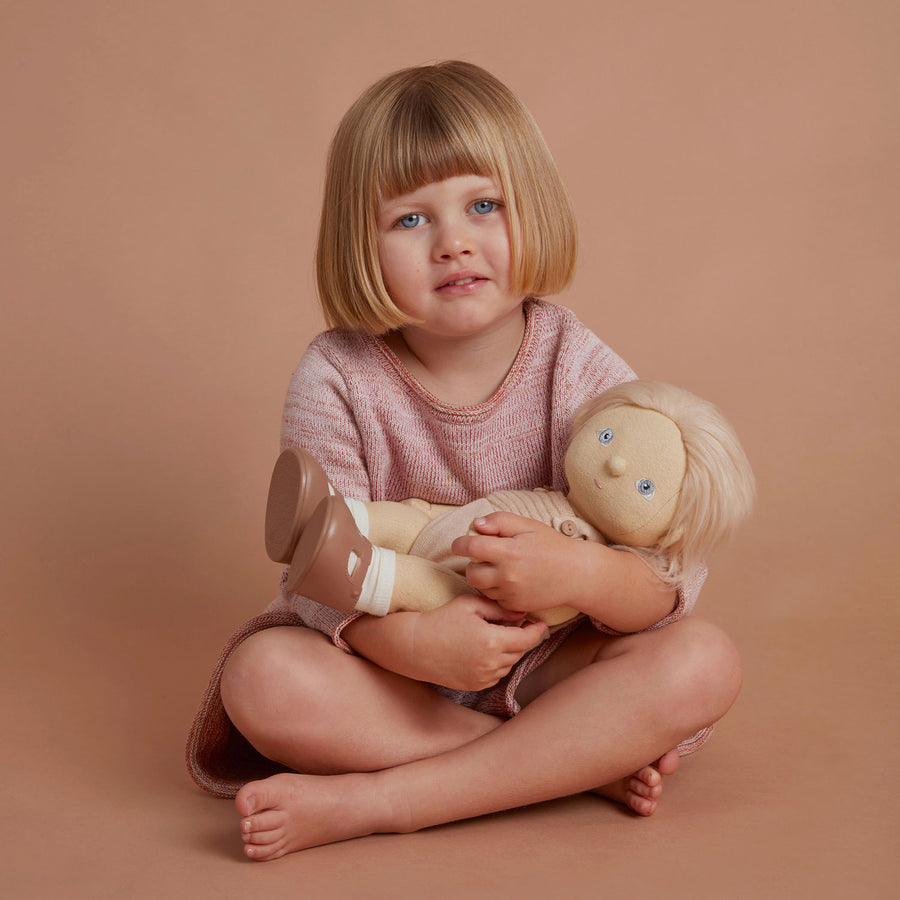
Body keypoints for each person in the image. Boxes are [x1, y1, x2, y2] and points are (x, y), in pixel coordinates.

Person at [185, 60, 743, 862]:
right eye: (410, 220)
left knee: (702, 661)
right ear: (360, 243)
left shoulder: (574, 360)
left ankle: (384, 801)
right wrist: (410, 646)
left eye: (485, 206)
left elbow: (665, 572)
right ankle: (570, 763)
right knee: (261, 679)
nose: (454, 243)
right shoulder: (338, 374)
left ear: (532, 211)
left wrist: (580, 577)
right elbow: (317, 564)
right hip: (393, 676)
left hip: (551, 656)